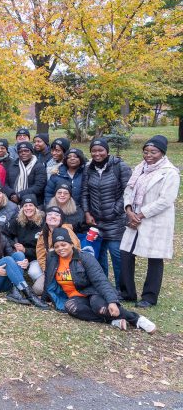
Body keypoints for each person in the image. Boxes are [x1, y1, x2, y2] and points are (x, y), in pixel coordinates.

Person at [44, 228, 156, 333]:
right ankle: (111, 320)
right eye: (57, 246)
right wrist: (45, 298)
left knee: (100, 307)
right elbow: (48, 278)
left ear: (71, 244)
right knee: (70, 308)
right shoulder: (52, 257)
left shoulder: (85, 257)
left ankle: (136, 319)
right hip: (75, 297)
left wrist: (112, 301)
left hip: (92, 292)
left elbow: (100, 280)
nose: (60, 248)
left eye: (64, 244)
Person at [120, 135, 180, 308]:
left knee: (154, 258)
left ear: (162, 153)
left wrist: (141, 215)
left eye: (153, 152)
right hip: (134, 217)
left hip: (155, 220)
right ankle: (127, 292)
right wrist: (129, 210)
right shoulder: (140, 168)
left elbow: (166, 200)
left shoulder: (170, 172)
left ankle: (149, 297)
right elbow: (128, 190)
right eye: (146, 151)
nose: (149, 155)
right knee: (126, 253)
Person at [81, 138, 131, 290]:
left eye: (100, 150)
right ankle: (103, 287)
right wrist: (87, 212)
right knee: (99, 257)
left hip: (116, 221)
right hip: (96, 222)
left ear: (107, 151)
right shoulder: (88, 169)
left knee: (117, 256)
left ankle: (122, 289)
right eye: (94, 150)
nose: (97, 154)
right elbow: (85, 193)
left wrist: (115, 210)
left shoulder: (119, 166)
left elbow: (128, 192)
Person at [0, 214, 48, 308]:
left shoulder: (1, 237)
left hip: (2, 281)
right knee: (7, 260)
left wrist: (24, 262)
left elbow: (12, 255)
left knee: (19, 255)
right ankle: (29, 295)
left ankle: (15, 291)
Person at [7, 195, 46, 293]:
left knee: (33, 272)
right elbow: (5, 235)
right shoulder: (18, 220)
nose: (28, 208)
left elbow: (43, 249)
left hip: (37, 257)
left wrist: (26, 250)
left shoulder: (43, 223)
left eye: (31, 205)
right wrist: (14, 245)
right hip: (21, 255)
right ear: (22, 208)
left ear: (36, 207)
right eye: (25, 205)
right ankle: (17, 288)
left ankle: (41, 284)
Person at [35, 206, 81, 282]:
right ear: (46, 219)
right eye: (49, 214)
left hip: (68, 266)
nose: (52, 216)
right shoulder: (44, 233)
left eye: (56, 215)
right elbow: (40, 254)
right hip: (52, 266)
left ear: (61, 219)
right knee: (37, 289)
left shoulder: (66, 230)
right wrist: (45, 270)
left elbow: (77, 249)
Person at [4, 141, 46, 205]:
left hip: (33, 202)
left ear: (31, 152)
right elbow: (5, 183)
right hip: (12, 201)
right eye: (20, 151)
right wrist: (11, 194)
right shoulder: (12, 165)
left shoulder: (39, 166)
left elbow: (39, 186)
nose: (23, 153)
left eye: (26, 151)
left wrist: (19, 195)